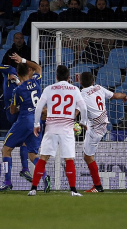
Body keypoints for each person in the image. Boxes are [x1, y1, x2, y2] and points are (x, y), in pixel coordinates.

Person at [0, 46, 45, 184]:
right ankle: (28, 171)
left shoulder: (25, 80)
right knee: (22, 142)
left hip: (22, 112)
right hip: (13, 111)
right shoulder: (13, 72)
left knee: (16, 145)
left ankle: (19, 173)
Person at [0, 53, 48, 191]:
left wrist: (16, 103)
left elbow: (12, 111)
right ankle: (45, 176)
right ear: (30, 70)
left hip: (25, 120)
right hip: (37, 122)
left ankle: (7, 182)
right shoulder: (36, 81)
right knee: (32, 154)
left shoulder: (18, 90)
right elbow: (38, 67)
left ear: (17, 72)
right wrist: (23, 60)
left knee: (6, 149)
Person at [28, 65, 88, 196]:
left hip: (51, 128)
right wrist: (83, 122)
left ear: (56, 77)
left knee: (43, 158)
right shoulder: (74, 89)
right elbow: (83, 108)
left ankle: (33, 189)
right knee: (69, 159)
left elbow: (38, 107)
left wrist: (37, 123)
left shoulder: (49, 89)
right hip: (67, 130)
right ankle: (73, 190)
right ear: (68, 77)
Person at [80, 72, 127, 192]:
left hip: (95, 127)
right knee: (88, 156)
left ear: (80, 82)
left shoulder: (81, 94)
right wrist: (123, 95)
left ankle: (97, 186)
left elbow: (81, 109)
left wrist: (81, 123)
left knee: (88, 157)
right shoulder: (99, 88)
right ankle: (97, 186)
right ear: (93, 82)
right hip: (102, 124)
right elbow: (114, 96)